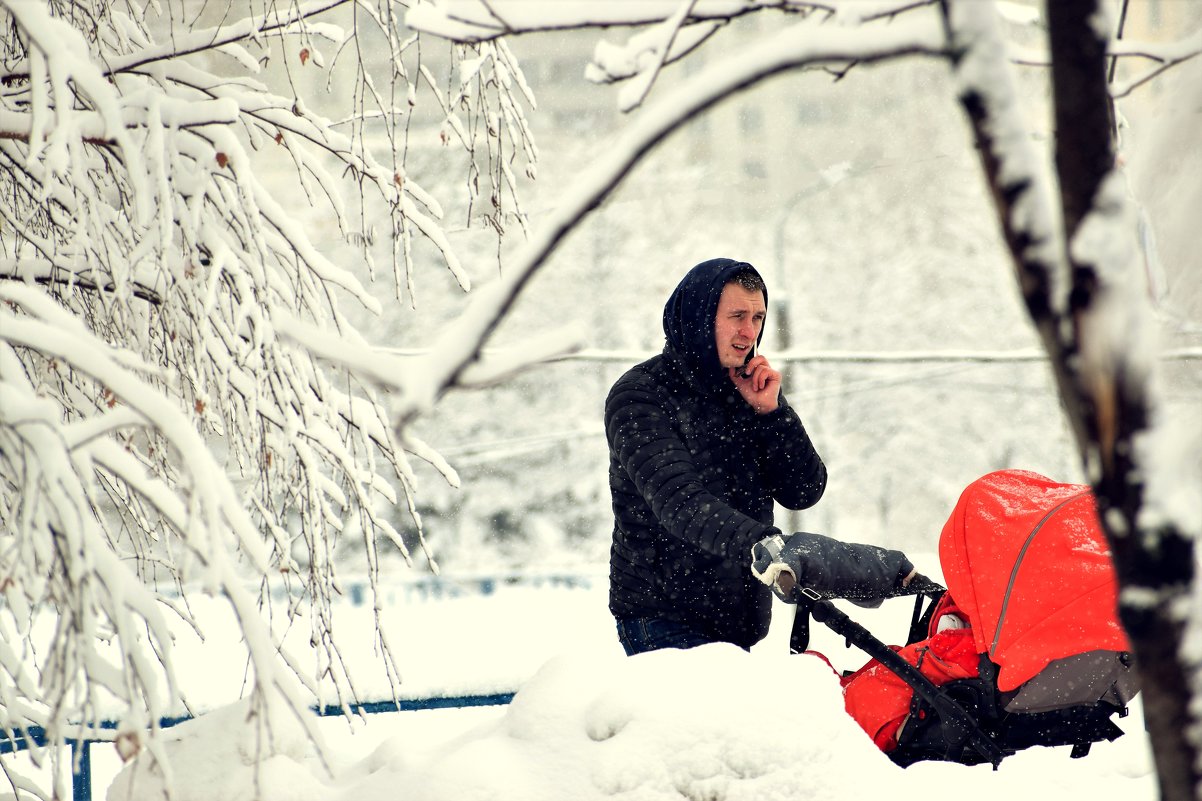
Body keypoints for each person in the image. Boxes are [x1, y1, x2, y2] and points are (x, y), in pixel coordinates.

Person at [606, 257, 914, 655]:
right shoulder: (641, 395)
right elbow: (681, 505)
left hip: (739, 619)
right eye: (736, 316)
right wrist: (765, 546)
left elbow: (804, 491)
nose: (748, 332)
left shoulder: (749, 387)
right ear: (700, 319)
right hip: (664, 616)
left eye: (757, 317)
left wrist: (773, 414)